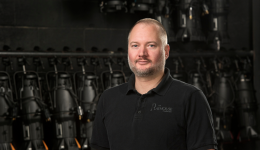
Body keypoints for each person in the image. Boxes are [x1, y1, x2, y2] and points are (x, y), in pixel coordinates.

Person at [91, 18, 217, 150]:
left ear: (166, 51)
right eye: (135, 45)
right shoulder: (108, 99)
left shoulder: (190, 98)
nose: (142, 53)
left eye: (151, 45)